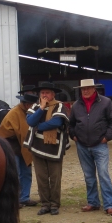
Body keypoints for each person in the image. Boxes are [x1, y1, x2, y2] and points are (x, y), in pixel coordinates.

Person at [69, 79, 112, 215]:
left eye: (88, 88)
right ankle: (93, 202)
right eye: (83, 89)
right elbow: (71, 123)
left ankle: (109, 205)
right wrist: (73, 135)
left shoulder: (105, 102)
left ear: (94, 89)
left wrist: (107, 137)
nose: (85, 91)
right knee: (88, 176)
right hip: (82, 145)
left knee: (103, 174)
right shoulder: (76, 105)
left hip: (100, 144)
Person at [25, 82, 70, 216]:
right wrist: (41, 108)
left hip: (55, 147)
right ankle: (45, 204)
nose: (44, 95)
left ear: (53, 94)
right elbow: (30, 121)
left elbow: (57, 122)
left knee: (55, 178)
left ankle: (55, 204)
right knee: (41, 177)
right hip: (37, 147)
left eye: (47, 93)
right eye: (42, 93)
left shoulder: (60, 106)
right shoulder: (35, 106)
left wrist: (39, 126)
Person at [0, 93, 39, 208]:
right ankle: (14, 199)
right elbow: (22, 132)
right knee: (14, 174)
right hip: (11, 146)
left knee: (26, 172)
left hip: (22, 146)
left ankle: (24, 198)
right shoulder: (15, 112)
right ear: (27, 104)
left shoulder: (27, 112)